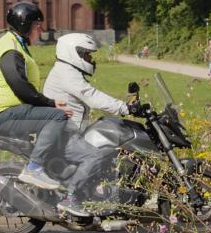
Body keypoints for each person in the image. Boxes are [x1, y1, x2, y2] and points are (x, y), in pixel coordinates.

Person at [43, 33, 139, 216]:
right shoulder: (66, 73)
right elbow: (91, 96)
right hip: (62, 135)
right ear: (74, 53)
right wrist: (124, 108)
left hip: (67, 131)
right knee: (95, 155)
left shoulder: (66, 71)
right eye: (87, 54)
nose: (90, 58)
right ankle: (70, 198)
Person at [0, 2, 72, 192]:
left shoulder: (15, 44)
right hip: (2, 116)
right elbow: (21, 87)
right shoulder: (10, 49)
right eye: (36, 25)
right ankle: (34, 168)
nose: (40, 29)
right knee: (58, 116)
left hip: (11, 112)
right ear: (24, 25)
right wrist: (51, 104)